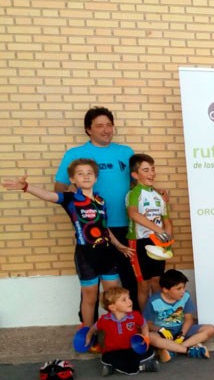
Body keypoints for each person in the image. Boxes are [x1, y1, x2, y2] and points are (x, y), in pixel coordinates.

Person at [2, 159, 132, 329]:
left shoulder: (101, 200)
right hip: (85, 254)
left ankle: (113, 331)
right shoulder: (70, 198)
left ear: (95, 177)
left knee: (113, 296)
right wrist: (27, 187)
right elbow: (49, 196)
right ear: (72, 179)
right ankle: (88, 332)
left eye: (89, 173)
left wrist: (118, 245)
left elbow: (104, 227)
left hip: (107, 252)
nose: (85, 176)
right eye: (80, 174)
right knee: (90, 297)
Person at [54, 107, 139, 309]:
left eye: (109, 125)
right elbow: (60, 188)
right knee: (92, 288)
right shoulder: (76, 154)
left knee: (129, 280)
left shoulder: (125, 152)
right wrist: (79, 213)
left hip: (126, 226)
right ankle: (91, 330)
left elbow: (137, 184)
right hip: (94, 230)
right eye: (99, 125)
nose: (106, 129)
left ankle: (129, 326)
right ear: (88, 130)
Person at [126, 154, 173, 310]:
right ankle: (144, 320)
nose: (151, 173)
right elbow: (133, 214)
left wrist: (167, 239)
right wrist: (158, 230)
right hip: (139, 242)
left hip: (158, 242)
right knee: (144, 285)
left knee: (157, 282)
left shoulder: (160, 196)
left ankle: (156, 316)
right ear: (135, 175)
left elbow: (166, 221)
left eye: (153, 169)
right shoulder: (134, 193)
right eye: (146, 170)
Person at [143, 269, 214, 361]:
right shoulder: (154, 301)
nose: (183, 291)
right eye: (178, 289)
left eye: (184, 287)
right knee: (150, 336)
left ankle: (173, 349)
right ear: (165, 289)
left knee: (211, 329)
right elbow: (148, 324)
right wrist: (160, 330)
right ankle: (188, 349)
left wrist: (182, 335)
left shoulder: (186, 296)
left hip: (182, 329)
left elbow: (189, 319)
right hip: (164, 334)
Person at [86, 287, 159, 376]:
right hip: (114, 351)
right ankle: (143, 367)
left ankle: (112, 368)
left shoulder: (134, 315)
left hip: (132, 348)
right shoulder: (104, 320)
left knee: (148, 352)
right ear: (112, 307)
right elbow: (93, 328)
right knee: (107, 357)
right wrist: (88, 337)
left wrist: (146, 336)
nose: (130, 301)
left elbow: (144, 325)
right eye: (124, 300)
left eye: (129, 298)